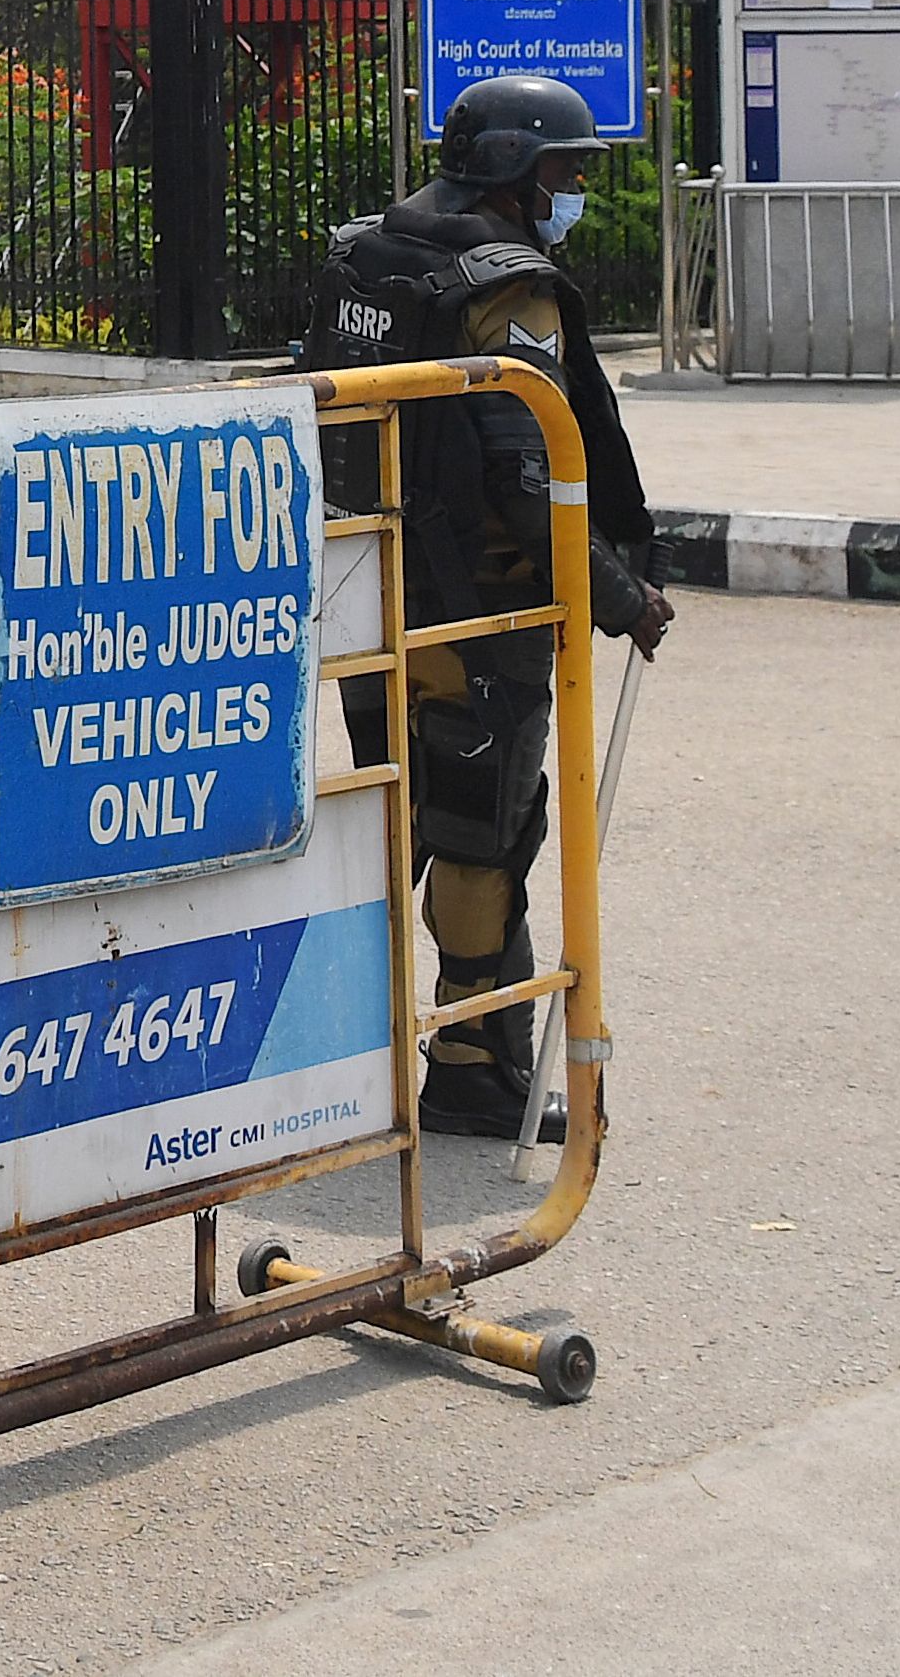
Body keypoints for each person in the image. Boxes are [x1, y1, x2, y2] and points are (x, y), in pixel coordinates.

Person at [297, 70, 667, 1143]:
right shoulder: (507, 286)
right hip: (479, 606)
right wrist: (615, 595)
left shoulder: (365, 251)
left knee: (393, 809)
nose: (571, 191)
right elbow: (524, 468)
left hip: (369, 586)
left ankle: (363, 1051)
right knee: (477, 829)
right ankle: (465, 1061)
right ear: (512, 168)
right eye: (562, 170)